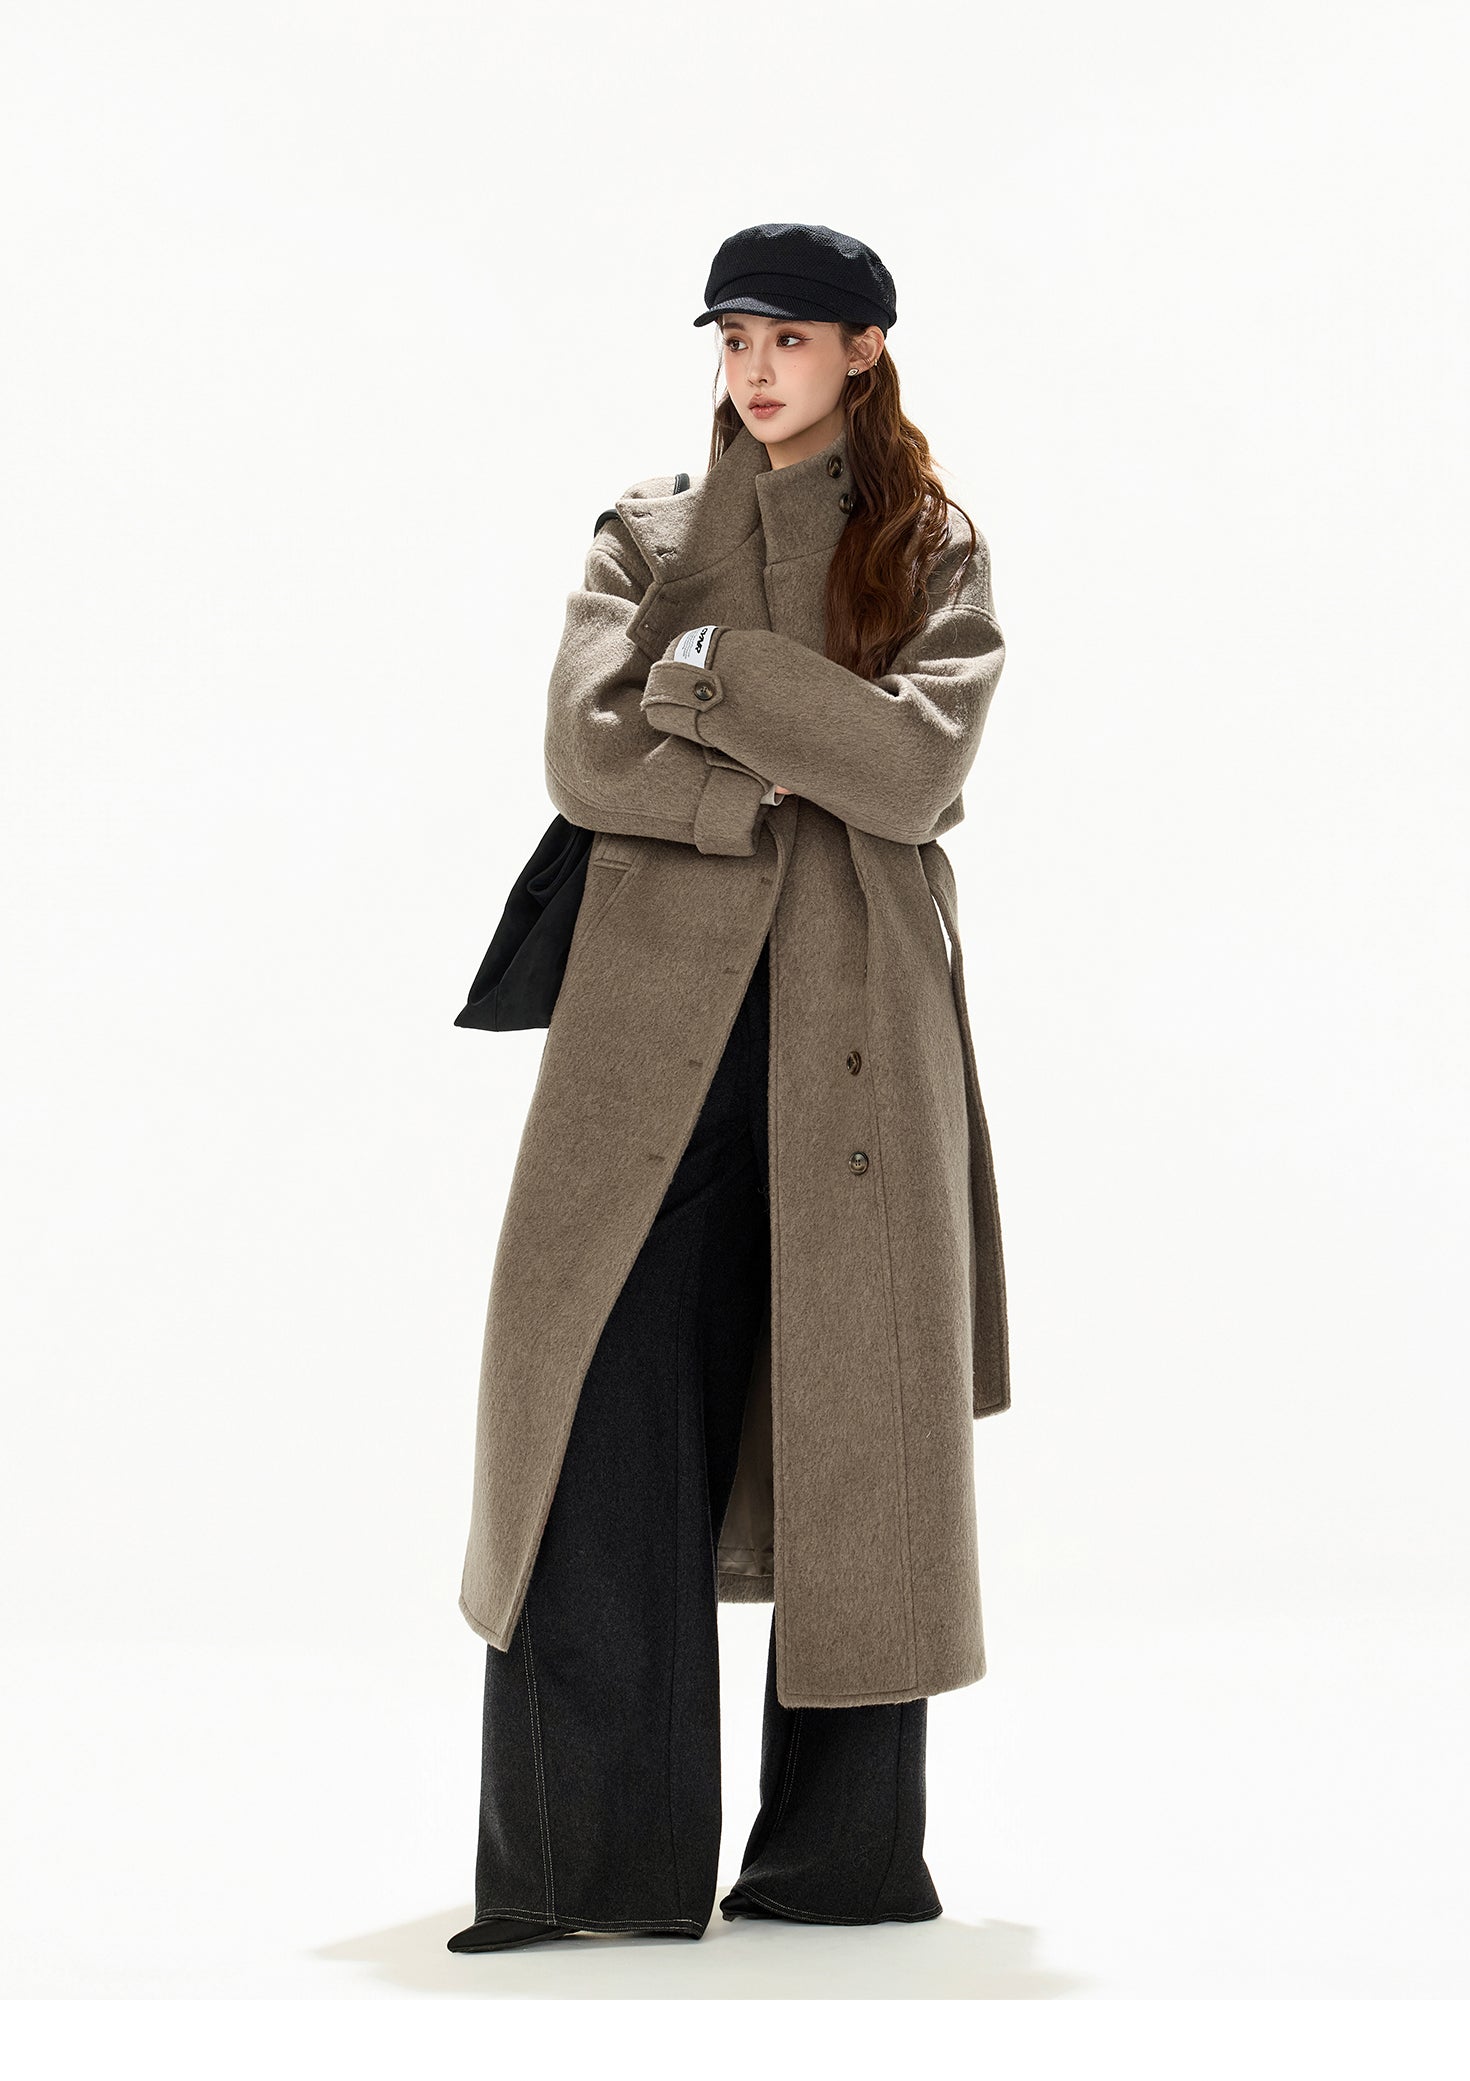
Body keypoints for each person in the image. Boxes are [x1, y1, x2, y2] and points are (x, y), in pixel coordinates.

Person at [449, 221, 1011, 1954]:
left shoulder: (928, 543)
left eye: (791, 338)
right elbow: (585, 745)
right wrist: (749, 775)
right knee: (593, 1401)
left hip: (859, 1017)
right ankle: (585, 1868)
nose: (756, 368)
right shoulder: (648, 532)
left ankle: (838, 1864)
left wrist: (719, 680)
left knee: (860, 1422)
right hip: (650, 1029)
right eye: (735, 337)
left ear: (863, 351)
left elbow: (913, 769)